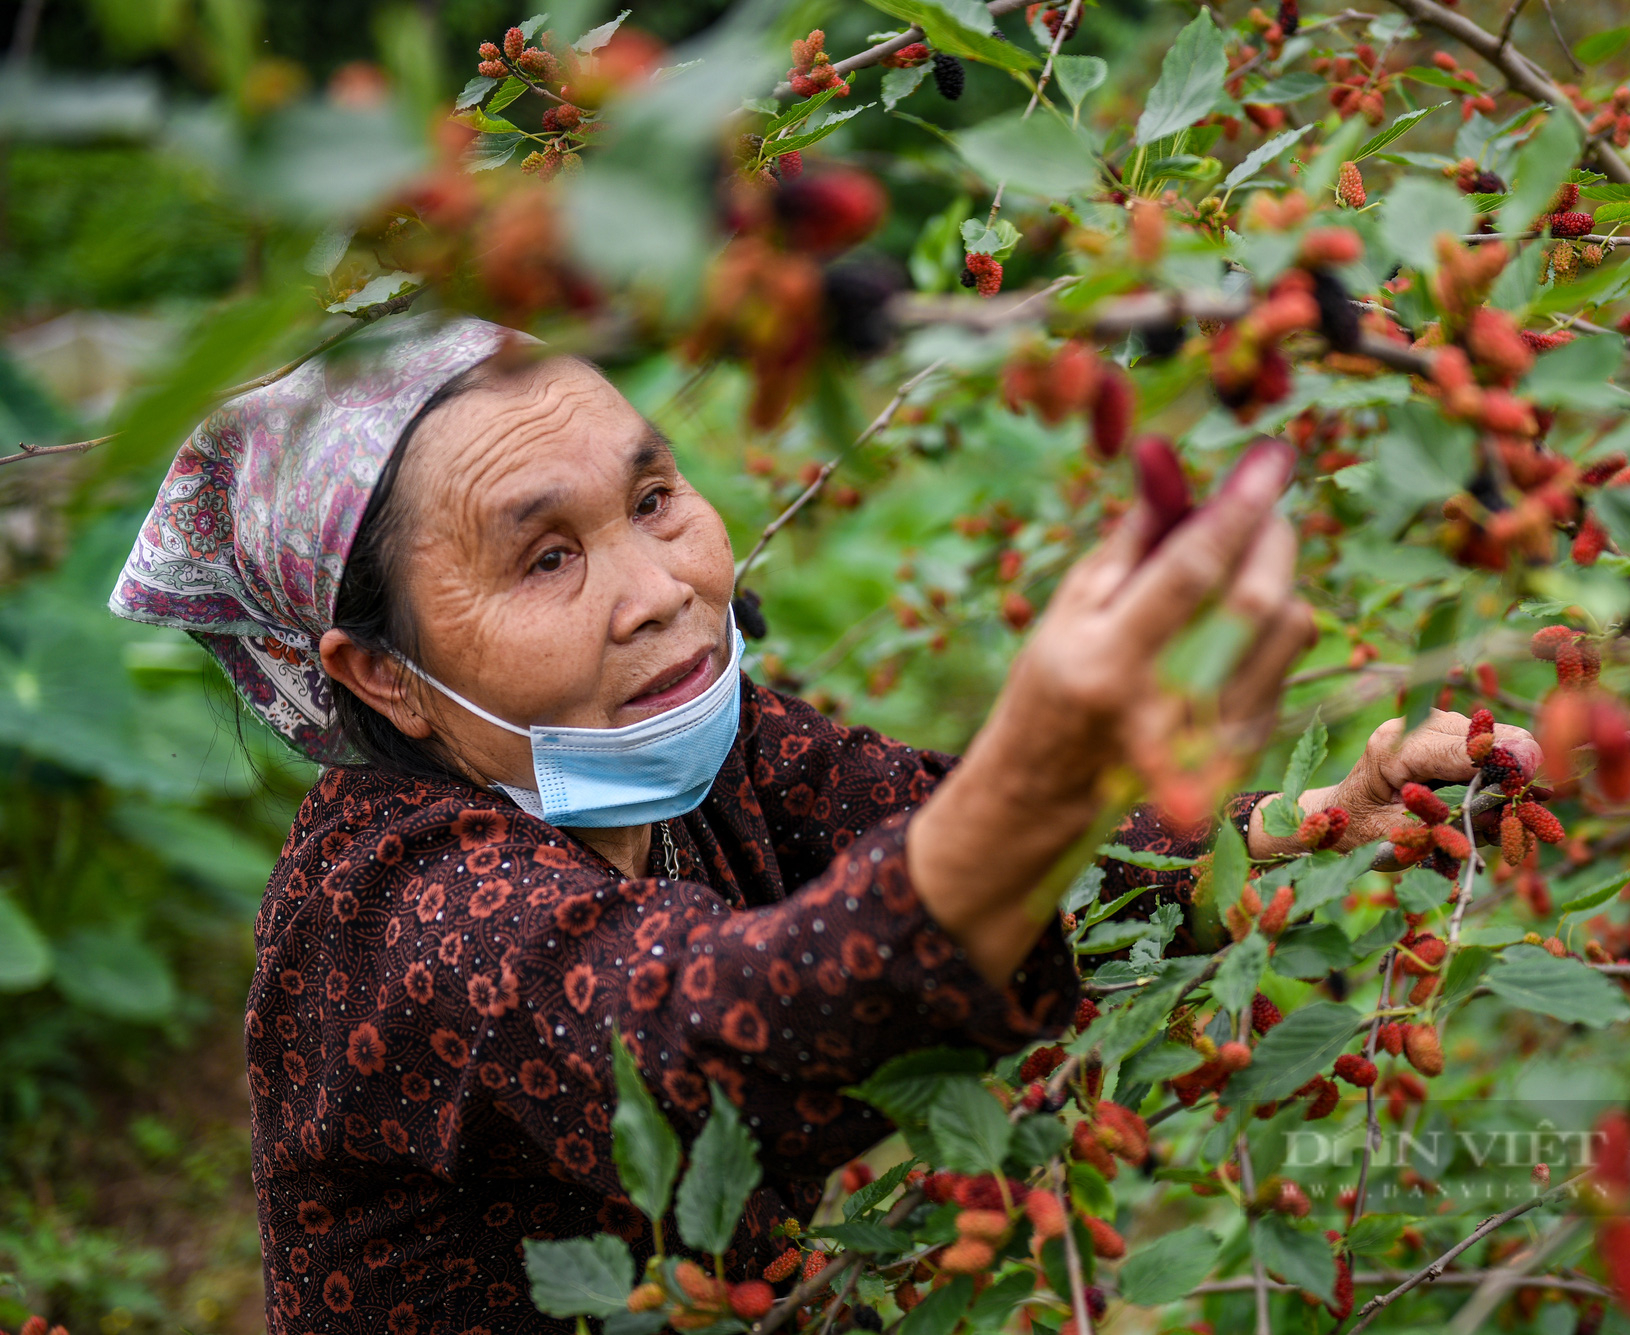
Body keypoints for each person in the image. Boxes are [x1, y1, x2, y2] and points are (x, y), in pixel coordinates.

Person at [109, 315, 1533, 1332]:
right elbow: (715, 1045)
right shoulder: (402, 918)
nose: (662, 587)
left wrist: (1291, 824)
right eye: (546, 557)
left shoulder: (696, 741)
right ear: (376, 677)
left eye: (656, 498)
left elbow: (938, 839)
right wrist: (1042, 771)